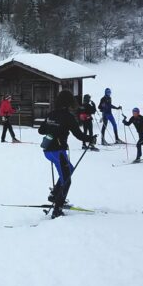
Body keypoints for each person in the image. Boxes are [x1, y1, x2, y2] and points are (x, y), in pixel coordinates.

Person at [38, 90, 96, 219]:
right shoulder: (68, 117)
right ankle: (57, 210)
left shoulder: (51, 114)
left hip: (48, 151)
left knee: (69, 169)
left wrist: (51, 127)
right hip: (59, 152)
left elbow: (41, 130)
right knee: (67, 180)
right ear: (69, 103)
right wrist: (90, 139)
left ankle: (54, 194)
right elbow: (79, 135)